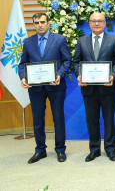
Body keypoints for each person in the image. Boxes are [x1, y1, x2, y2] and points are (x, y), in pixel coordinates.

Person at [19, 12, 71, 164]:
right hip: (35, 88)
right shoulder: (28, 42)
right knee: (38, 120)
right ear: (34, 25)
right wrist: (23, 77)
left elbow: (67, 60)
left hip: (56, 86)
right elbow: (22, 64)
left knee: (58, 119)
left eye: (42, 22)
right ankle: (40, 150)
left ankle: (60, 150)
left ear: (48, 23)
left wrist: (59, 75)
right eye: (36, 23)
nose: (40, 25)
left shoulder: (59, 39)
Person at [72, 12, 115, 162]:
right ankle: (94, 150)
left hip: (108, 88)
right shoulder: (81, 41)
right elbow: (76, 62)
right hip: (88, 88)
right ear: (89, 23)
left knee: (109, 120)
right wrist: (79, 75)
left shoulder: (114, 40)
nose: (96, 23)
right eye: (93, 21)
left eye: (100, 21)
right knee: (91, 120)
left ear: (105, 23)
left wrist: (113, 75)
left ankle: (110, 149)